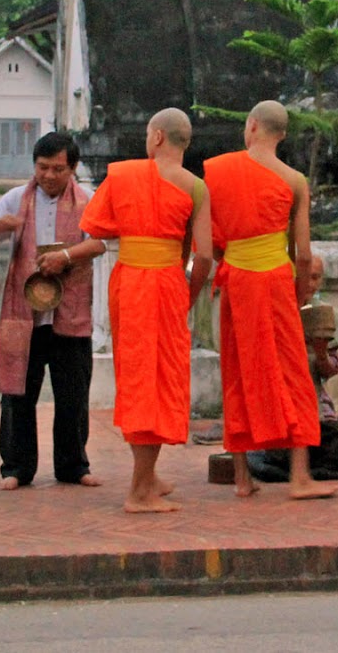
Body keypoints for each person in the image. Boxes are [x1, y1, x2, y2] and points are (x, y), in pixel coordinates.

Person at [79, 108, 212, 513]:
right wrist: (186, 293)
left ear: (156, 137)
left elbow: (97, 227)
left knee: (139, 377)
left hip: (130, 282)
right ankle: (139, 490)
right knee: (159, 378)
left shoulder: (123, 175)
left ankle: (146, 477)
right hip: (168, 282)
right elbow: (203, 255)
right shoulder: (196, 187)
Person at [204, 101, 335, 501]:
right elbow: (305, 252)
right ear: (282, 135)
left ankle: (243, 477)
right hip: (276, 280)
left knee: (238, 370)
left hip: (238, 281)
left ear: (252, 126)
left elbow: (209, 243)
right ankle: (299, 477)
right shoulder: (294, 179)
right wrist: (296, 296)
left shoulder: (219, 171)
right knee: (293, 373)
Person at [0, 131, 102, 490]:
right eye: (42, 168)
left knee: (73, 394)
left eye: (57, 169)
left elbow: (100, 241)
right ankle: (15, 468)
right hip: (24, 314)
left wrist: (66, 257)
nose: (48, 176)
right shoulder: (16, 199)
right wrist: (0, 225)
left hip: (69, 313)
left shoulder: (87, 201)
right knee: (18, 393)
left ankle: (74, 466)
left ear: (72, 168)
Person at [245, 255, 338, 483]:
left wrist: (321, 351)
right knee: (284, 449)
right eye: (303, 276)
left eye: (315, 277)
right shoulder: (274, 311)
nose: (309, 283)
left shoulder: (325, 315)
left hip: (317, 410)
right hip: (284, 409)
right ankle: (303, 469)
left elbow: (330, 371)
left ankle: (300, 469)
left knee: (335, 446)